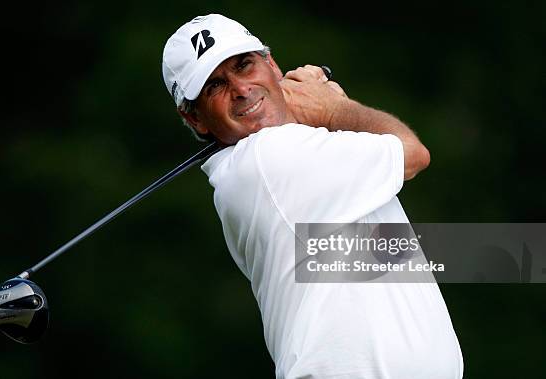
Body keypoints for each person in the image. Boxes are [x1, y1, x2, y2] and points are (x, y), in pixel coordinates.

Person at [162, 14, 463, 379]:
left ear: (271, 64)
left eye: (245, 65)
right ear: (195, 119)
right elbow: (414, 154)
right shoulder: (267, 159)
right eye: (215, 86)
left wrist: (319, 112)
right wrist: (333, 108)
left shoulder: (280, 159)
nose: (241, 89)